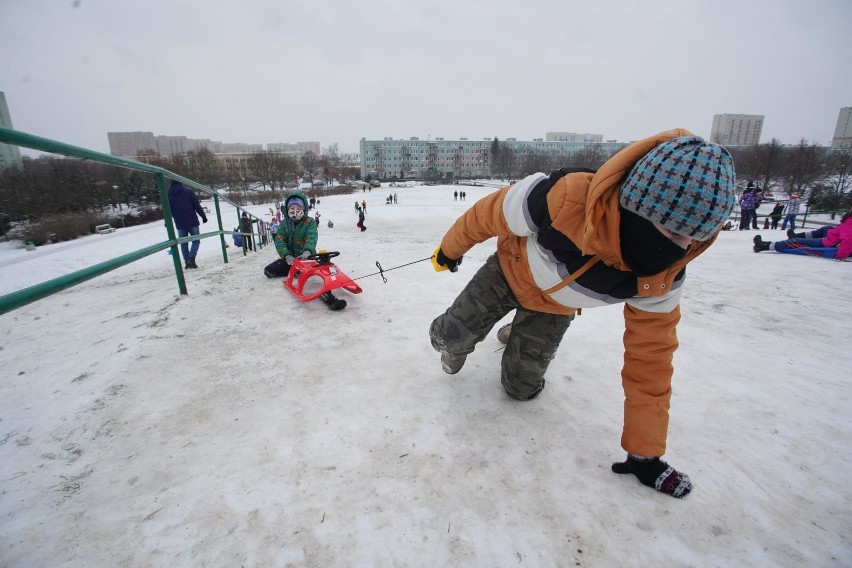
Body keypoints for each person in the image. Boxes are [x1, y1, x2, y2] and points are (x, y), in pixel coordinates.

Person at [429, 131, 737, 499]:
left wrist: (645, 452)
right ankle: (457, 345)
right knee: (449, 335)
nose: (681, 248)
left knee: (520, 391)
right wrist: (450, 250)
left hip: (553, 308)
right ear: (639, 206)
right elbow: (486, 214)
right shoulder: (562, 197)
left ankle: (518, 331)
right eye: (672, 231)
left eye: (693, 239)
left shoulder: (662, 276)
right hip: (507, 273)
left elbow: (651, 360)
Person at [753, 209, 852, 259]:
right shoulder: (849, 221)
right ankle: (797, 236)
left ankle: (762, 246)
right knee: (826, 229)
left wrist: (841, 255)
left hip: (828, 243)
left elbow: (849, 239)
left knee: (793, 242)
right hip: (833, 237)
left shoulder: (850, 222)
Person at [264, 192, 317, 278]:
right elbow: (279, 241)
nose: (295, 211)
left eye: (299, 208)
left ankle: (303, 270)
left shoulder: (310, 222)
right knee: (269, 270)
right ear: (287, 209)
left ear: (304, 209)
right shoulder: (284, 223)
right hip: (290, 260)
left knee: (314, 268)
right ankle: (295, 270)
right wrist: (287, 256)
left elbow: (312, 237)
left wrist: (308, 251)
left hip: (306, 258)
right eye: (292, 208)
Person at [167, 180, 208, 269]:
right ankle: (191, 258)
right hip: (192, 221)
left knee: (183, 243)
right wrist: (203, 217)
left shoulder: (168, 194)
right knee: (196, 240)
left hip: (179, 223)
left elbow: (167, 209)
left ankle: (187, 262)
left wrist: (167, 221)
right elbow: (196, 205)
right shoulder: (188, 192)